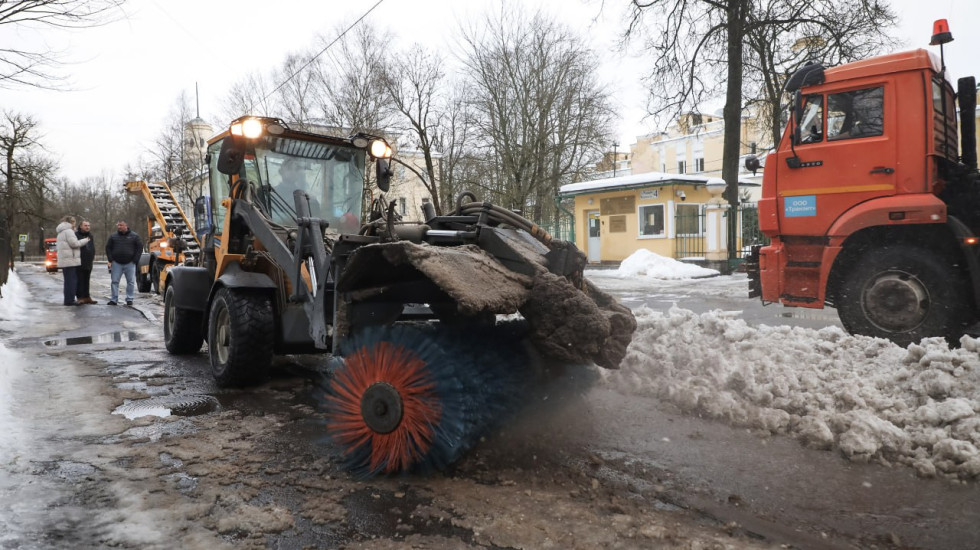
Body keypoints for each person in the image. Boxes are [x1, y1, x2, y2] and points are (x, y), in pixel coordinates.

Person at [105, 220, 143, 306]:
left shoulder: (134, 236)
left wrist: (135, 259)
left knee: (130, 282)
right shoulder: (113, 236)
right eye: (118, 225)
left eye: (121, 225)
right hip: (116, 263)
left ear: (126, 226)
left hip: (130, 263)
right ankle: (114, 299)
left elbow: (140, 247)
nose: (119, 227)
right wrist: (110, 259)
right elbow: (108, 247)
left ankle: (129, 298)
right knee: (114, 281)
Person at [55, 215, 90, 306]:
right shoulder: (69, 231)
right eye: (74, 222)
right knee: (71, 281)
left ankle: (68, 299)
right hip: (70, 260)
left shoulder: (61, 231)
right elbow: (74, 244)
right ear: (71, 222)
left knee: (68, 281)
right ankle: (70, 300)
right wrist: (85, 240)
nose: (75, 224)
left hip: (65, 260)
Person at [74, 220, 97, 304]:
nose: (87, 227)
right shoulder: (76, 235)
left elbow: (92, 247)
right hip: (79, 261)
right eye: (85, 225)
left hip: (88, 261)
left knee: (87, 279)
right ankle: (80, 297)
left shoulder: (90, 235)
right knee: (79, 280)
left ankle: (87, 296)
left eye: (88, 225)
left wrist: (93, 255)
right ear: (81, 226)